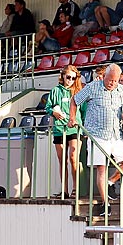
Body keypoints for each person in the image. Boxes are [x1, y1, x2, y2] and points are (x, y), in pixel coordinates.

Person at [74, 63, 123, 214]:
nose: (112, 83)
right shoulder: (92, 87)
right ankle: (105, 203)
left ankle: (110, 182)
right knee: (101, 168)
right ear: (104, 76)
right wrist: (72, 118)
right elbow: (75, 101)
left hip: (117, 134)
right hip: (97, 134)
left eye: (115, 81)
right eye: (110, 80)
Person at [45, 68, 82, 198]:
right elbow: (48, 107)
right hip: (59, 129)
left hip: (74, 128)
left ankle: (75, 188)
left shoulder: (78, 91)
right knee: (62, 160)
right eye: (68, 77)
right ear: (63, 76)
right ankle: (64, 190)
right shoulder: (55, 91)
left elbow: (84, 110)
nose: (70, 81)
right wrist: (53, 112)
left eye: (73, 78)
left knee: (73, 157)